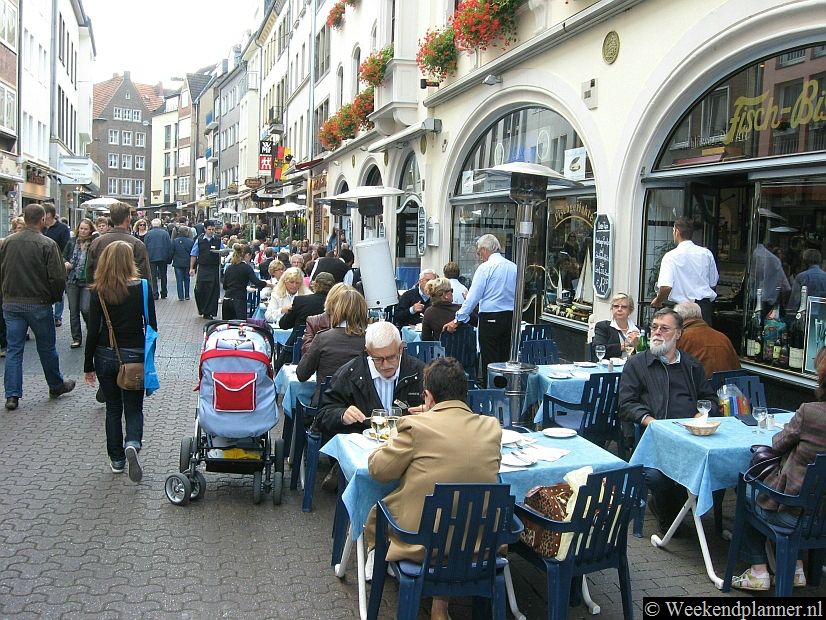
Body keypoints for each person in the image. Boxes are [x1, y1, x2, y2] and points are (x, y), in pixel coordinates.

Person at [366, 356, 501, 619]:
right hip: (478, 543)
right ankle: (441, 605)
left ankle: (383, 575)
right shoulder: (491, 427)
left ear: (427, 397)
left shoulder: (416, 426)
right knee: (456, 505)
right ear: (465, 394)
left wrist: (396, 437)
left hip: (422, 546)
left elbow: (378, 470)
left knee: (381, 510)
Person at [729, 346, 826, 591]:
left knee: (747, 492)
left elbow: (777, 443)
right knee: (809, 497)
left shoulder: (810, 413)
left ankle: (758, 570)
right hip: (820, 517)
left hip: (796, 516)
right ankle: (796, 568)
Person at [618, 308, 719, 533]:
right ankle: (670, 518)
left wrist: (700, 415)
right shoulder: (637, 364)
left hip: (691, 437)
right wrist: (652, 422)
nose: (657, 333)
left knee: (715, 468)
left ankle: (688, 514)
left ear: (678, 334)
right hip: (655, 440)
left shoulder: (692, 366)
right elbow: (626, 404)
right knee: (659, 476)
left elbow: (710, 399)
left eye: (664, 328)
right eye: (654, 327)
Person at [84, 241, 157, 483]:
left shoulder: (98, 290)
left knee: (113, 408)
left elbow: (92, 330)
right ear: (129, 262)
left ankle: (116, 460)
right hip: (134, 356)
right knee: (133, 408)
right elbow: (152, 326)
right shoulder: (143, 288)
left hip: (104, 354)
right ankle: (133, 443)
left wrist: (88, 366)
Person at [0, 204, 76, 410]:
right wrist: (53, 297)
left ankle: (12, 395)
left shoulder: (8, 242)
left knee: (14, 349)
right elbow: (58, 276)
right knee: (47, 347)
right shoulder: (47, 244)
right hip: (38, 303)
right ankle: (55, 384)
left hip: (12, 302)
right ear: (42, 220)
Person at [315, 320, 425, 440]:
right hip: (362, 446)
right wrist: (341, 415)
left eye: (391, 357)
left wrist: (430, 413)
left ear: (401, 348)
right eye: (377, 359)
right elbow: (322, 417)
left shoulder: (420, 372)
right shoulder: (350, 374)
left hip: (408, 445)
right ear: (368, 352)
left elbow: (444, 412)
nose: (385, 365)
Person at [444, 234, 517, 383]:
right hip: (511, 317)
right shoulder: (513, 267)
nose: (479, 256)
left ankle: (493, 395)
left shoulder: (485, 268)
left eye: (479, 252)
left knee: (490, 361)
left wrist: (458, 320)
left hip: (490, 318)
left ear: (485, 249)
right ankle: (505, 393)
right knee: (505, 359)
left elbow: (473, 297)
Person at [296, 284, 368, 405]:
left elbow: (302, 374)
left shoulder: (323, 338)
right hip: (360, 406)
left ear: (335, 309)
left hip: (325, 405)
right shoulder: (371, 341)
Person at [651, 217, 719, 325]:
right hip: (703, 308)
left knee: (681, 340)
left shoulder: (670, 256)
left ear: (676, 231)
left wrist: (658, 301)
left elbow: (666, 286)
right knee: (703, 340)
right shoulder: (706, 253)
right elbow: (713, 282)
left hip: (681, 309)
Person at [86, 201, 153, 293]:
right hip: (130, 295)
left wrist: (93, 292)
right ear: (128, 219)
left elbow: (89, 271)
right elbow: (144, 275)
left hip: (102, 294)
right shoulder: (137, 244)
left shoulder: (97, 242)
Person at [674, 301, 740, 378]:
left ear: (678, 319)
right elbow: (737, 369)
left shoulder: (680, 337)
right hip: (724, 387)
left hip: (694, 388)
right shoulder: (723, 338)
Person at [63, 218, 94, 349]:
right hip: (72, 280)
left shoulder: (93, 244)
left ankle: (90, 327)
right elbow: (63, 256)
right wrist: (66, 263)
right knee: (73, 310)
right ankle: (76, 338)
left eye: (86, 229)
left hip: (87, 281)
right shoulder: (71, 242)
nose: (83, 231)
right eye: (81, 228)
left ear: (90, 230)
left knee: (85, 308)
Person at [221, 244, 271, 321]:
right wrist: (268, 284)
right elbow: (256, 282)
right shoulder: (247, 268)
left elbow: (225, 286)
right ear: (247, 255)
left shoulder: (229, 267)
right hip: (239, 301)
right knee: (240, 326)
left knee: (227, 326)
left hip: (227, 300)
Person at [43, 203, 71, 327]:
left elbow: (66, 246)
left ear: (49, 214)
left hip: (57, 262)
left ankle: (57, 317)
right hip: (42, 263)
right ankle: (47, 314)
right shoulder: (41, 227)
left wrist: (63, 261)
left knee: (59, 287)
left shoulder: (63, 228)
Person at [189, 221, 224, 320]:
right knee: (200, 289)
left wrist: (224, 253)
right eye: (209, 229)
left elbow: (223, 251)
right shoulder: (199, 240)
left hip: (214, 267)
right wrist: (191, 268)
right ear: (205, 229)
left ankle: (210, 312)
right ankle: (202, 309)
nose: (211, 231)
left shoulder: (218, 240)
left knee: (213, 289)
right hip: (203, 267)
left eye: (213, 229)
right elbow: (194, 254)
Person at [592, 293, 640, 359]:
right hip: (610, 367)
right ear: (612, 309)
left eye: (624, 307)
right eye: (616, 306)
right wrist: (625, 345)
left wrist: (638, 346)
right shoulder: (603, 327)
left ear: (630, 310)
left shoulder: (638, 330)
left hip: (632, 367)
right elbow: (598, 349)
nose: (619, 309)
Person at [421, 277, 461, 342]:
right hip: (464, 349)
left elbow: (426, 339)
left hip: (440, 350)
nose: (452, 293)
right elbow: (477, 321)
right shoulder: (461, 311)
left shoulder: (429, 312)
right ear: (445, 295)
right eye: (451, 290)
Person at [144, 218, 173, 300]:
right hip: (163, 256)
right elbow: (169, 246)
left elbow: (145, 246)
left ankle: (155, 293)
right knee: (163, 275)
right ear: (160, 225)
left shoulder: (148, 234)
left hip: (151, 257)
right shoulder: (165, 233)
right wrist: (169, 258)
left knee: (153, 276)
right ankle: (164, 292)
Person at [171, 226, 194, 301]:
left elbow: (172, 252)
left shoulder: (174, 241)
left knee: (179, 280)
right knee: (187, 279)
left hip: (177, 263)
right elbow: (192, 253)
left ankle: (181, 296)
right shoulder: (190, 241)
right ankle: (187, 295)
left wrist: (171, 259)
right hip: (187, 263)